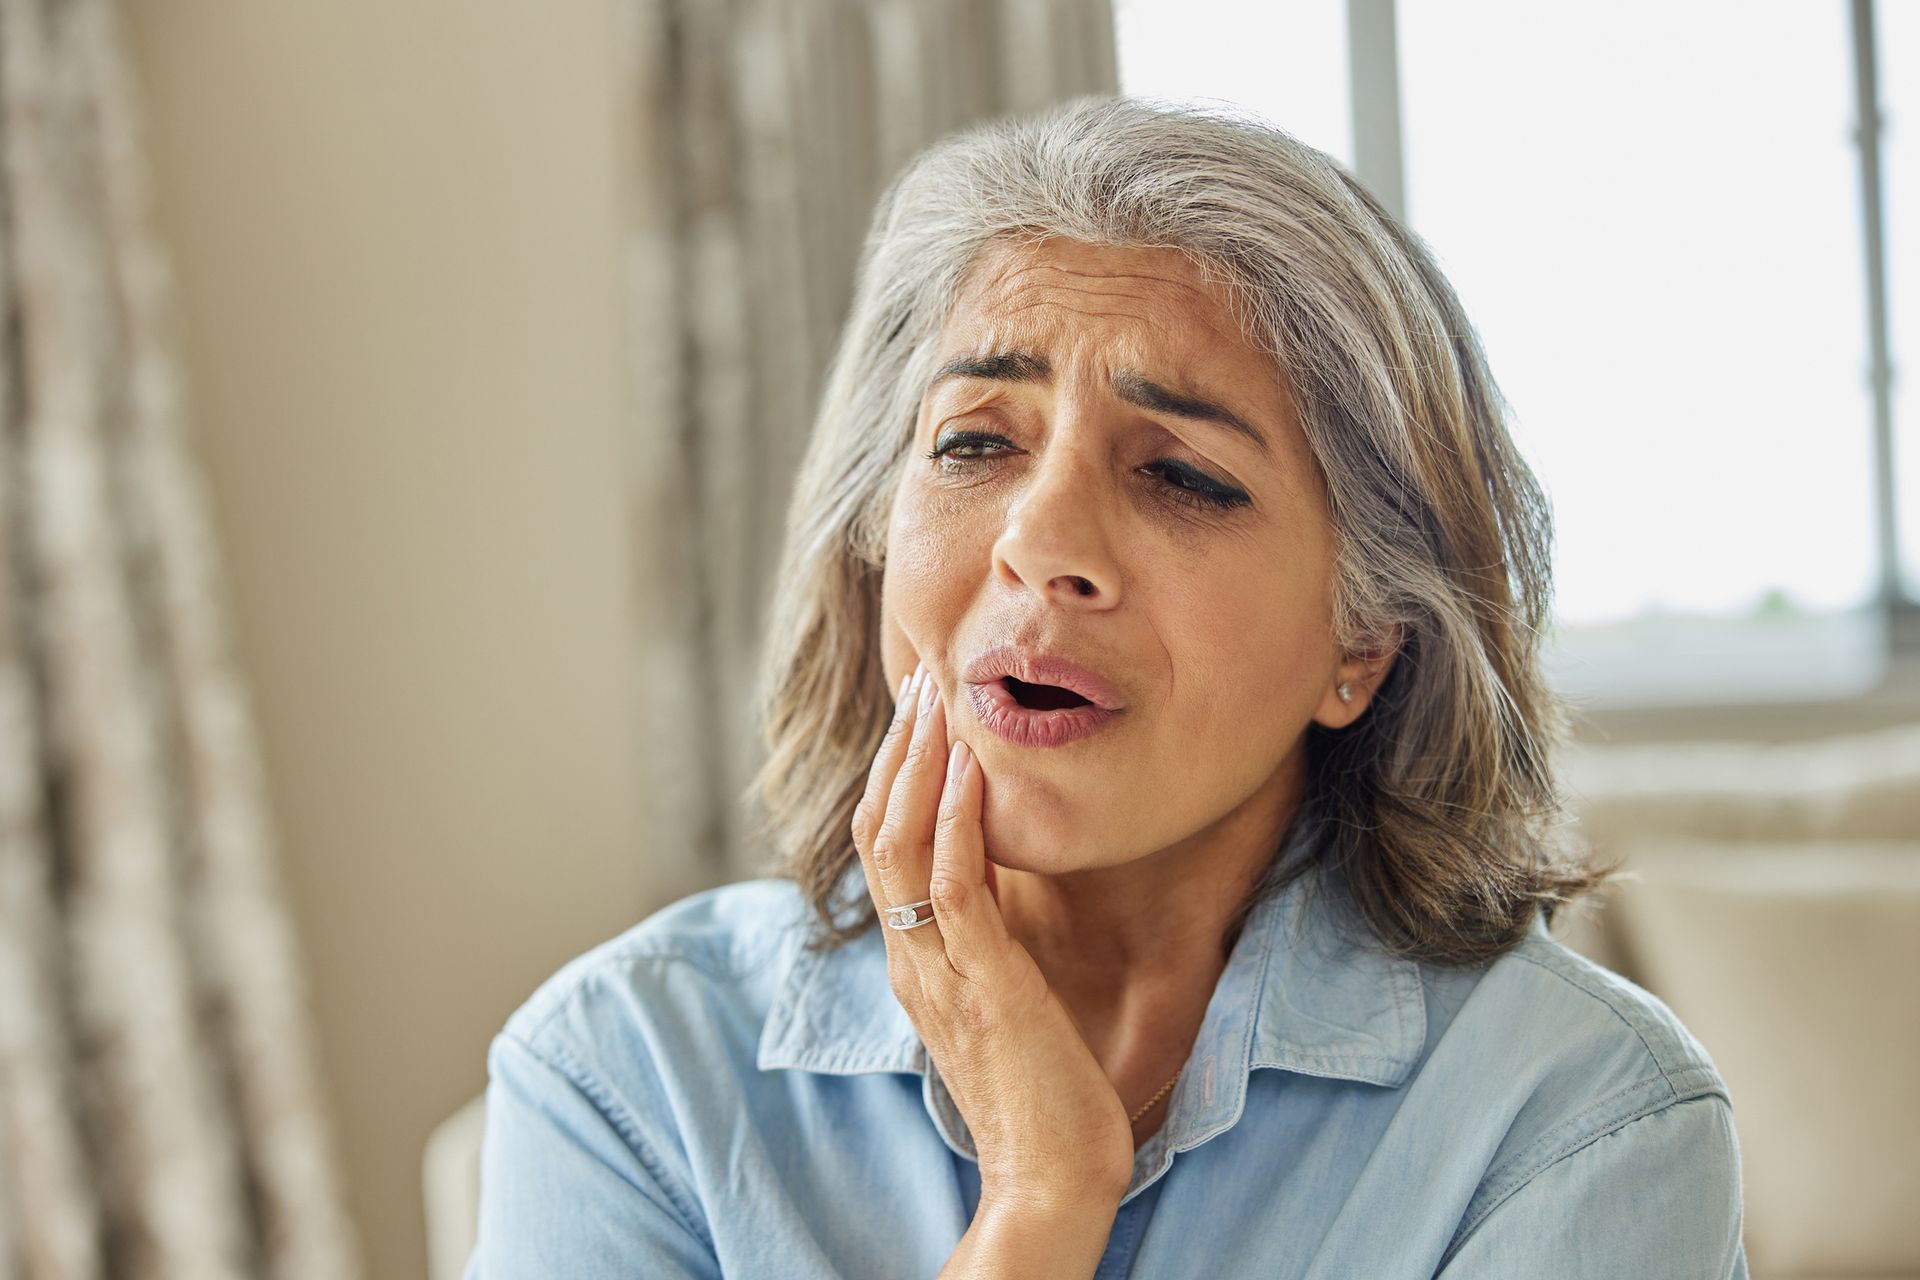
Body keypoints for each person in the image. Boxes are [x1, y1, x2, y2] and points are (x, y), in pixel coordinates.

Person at [463, 96, 1747, 1278]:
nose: (1043, 543)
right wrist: (1039, 1197)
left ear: (1364, 643)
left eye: (1182, 474)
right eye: (974, 442)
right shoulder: (624, 1073)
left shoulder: (1582, 1116)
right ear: (871, 546)